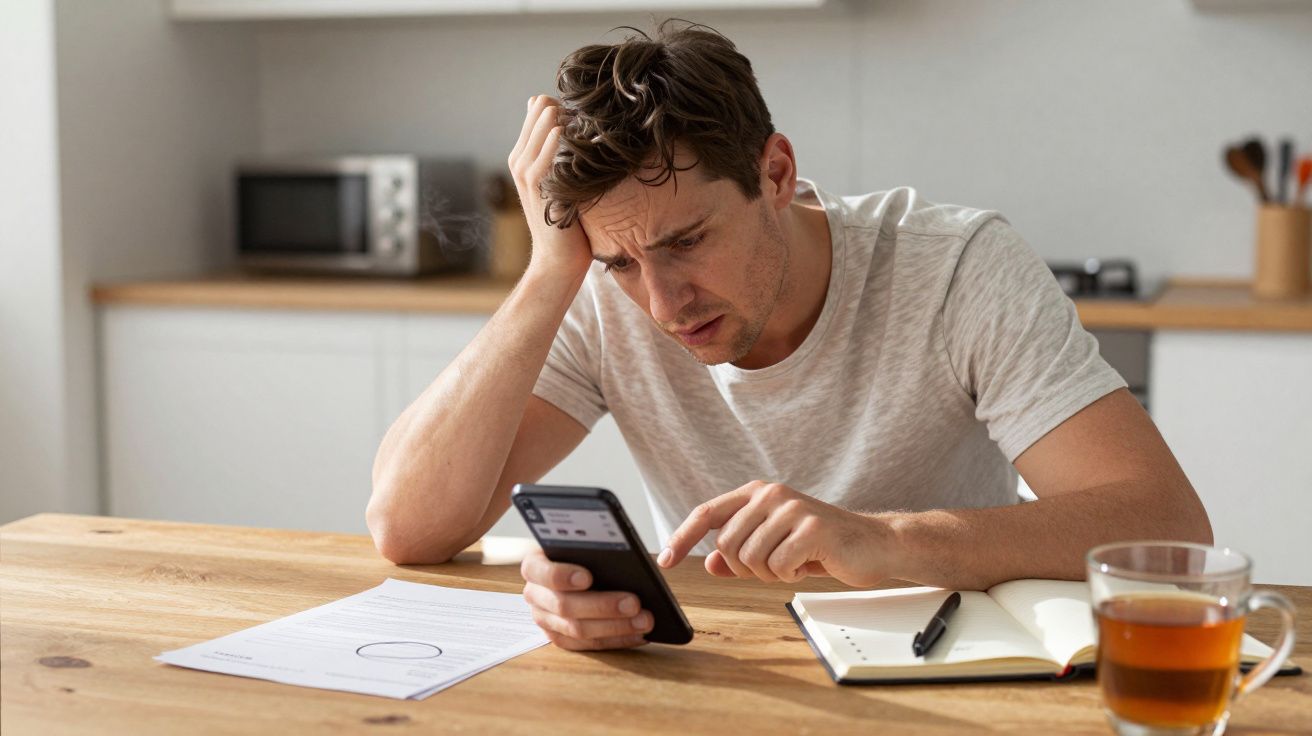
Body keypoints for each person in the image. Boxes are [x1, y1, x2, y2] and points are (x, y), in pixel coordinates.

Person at [366, 20, 1212, 652]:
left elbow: (1169, 530)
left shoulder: (955, 267)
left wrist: (883, 540)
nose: (662, 303)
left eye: (686, 242)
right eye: (619, 260)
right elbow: (407, 527)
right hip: (722, 663)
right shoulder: (599, 291)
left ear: (774, 173)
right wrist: (553, 272)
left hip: (938, 658)